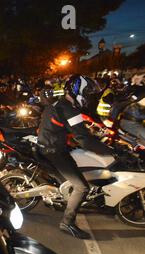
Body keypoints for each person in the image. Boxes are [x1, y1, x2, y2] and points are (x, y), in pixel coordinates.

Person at [37, 75, 112, 239]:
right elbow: (83, 138)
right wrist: (109, 151)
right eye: (87, 92)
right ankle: (67, 223)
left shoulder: (59, 103)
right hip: (54, 150)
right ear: (78, 90)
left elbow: (74, 128)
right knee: (82, 187)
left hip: (48, 145)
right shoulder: (69, 108)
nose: (88, 96)